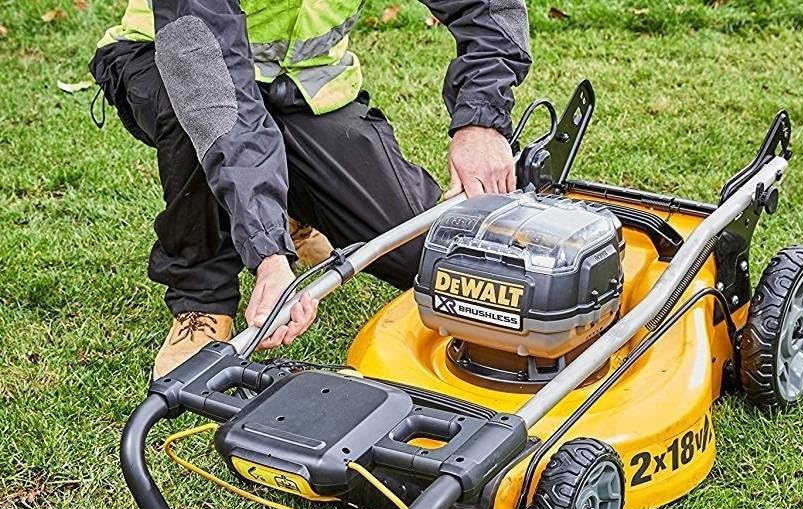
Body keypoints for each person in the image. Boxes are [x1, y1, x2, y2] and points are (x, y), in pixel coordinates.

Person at [89, 0, 531, 378]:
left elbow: (487, 7)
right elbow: (217, 97)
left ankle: (292, 213)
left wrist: (481, 121)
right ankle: (202, 298)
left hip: (303, 88)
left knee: (420, 256)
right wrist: (269, 256)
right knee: (196, 122)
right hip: (179, 63)